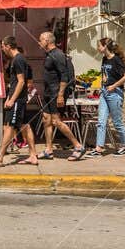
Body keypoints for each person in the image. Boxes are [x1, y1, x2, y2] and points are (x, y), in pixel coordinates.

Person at [0, 37, 42, 166]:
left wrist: (12, 100)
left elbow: (21, 81)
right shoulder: (16, 60)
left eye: (3, 46)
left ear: (8, 46)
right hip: (16, 99)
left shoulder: (18, 60)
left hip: (17, 100)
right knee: (24, 126)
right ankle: (33, 156)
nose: (2, 49)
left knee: (10, 127)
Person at [38, 31, 84, 161]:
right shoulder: (49, 54)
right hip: (48, 92)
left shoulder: (57, 55)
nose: (39, 42)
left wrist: (60, 95)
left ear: (47, 41)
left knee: (56, 121)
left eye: (41, 40)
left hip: (55, 92)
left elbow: (64, 76)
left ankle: (78, 146)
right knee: (46, 119)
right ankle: (48, 150)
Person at [86, 37, 125, 157]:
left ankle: (124, 146)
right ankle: (98, 148)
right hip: (104, 93)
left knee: (117, 122)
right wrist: (102, 85)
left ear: (105, 46)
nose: (97, 48)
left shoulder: (116, 60)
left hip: (115, 94)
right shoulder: (104, 59)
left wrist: (114, 85)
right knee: (101, 121)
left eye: (99, 45)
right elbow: (105, 75)